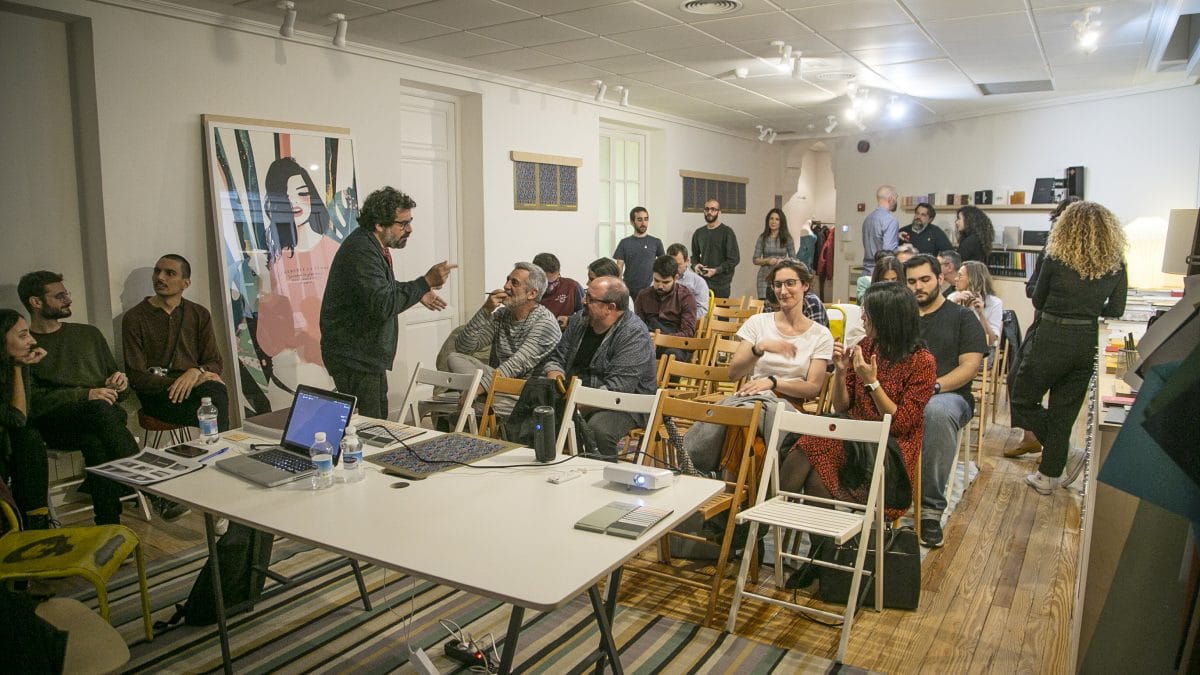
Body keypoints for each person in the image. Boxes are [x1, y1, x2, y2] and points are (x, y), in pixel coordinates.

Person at [20, 271, 187, 523]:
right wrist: (86, 394)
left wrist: (119, 384)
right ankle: (153, 489)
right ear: (35, 302)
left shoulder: (88, 334)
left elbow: (119, 390)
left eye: (66, 294)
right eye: (60, 296)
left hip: (101, 419)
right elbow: (34, 401)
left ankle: (109, 524)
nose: (68, 300)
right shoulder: (26, 346)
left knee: (96, 442)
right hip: (56, 425)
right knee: (99, 411)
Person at [781, 282, 935, 525]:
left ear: (886, 318)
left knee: (812, 442)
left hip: (888, 450)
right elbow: (842, 407)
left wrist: (872, 383)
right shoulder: (866, 346)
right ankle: (822, 547)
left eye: (867, 313)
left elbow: (899, 424)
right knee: (816, 468)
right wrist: (841, 372)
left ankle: (761, 521)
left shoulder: (921, 362)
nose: (862, 318)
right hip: (852, 437)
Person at [1009, 202, 1128, 493]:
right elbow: (1117, 309)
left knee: (1023, 397)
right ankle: (1049, 476)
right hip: (1087, 339)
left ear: (1067, 226)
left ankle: (1064, 455)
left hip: (1052, 335)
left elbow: (1038, 300)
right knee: (1064, 411)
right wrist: (1089, 309)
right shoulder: (1116, 263)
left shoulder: (1056, 258)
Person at [684, 260, 833, 475]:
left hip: (790, 404)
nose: (783, 291)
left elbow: (812, 388)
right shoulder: (758, 322)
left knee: (743, 419)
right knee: (744, 420)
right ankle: (744, 485)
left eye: (790, 283)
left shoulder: (820, 334)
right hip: (751, 397)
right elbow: (734, 373)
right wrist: (759, 348)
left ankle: (726, 481)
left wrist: (773, 382)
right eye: (777, 284)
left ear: (805, 285)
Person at [320, 187, 455, 419]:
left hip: (362, 355)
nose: (409, 229)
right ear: (379, 224)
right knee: (369, 425)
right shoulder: (362, 250)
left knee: (375, 420)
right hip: (355, 357)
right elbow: (383, 303)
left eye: (409, 222)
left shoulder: (369, 245)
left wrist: (418, 292)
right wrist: (424, 283)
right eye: (403, 224)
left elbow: (381, 290)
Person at [905, 254, 987, 548]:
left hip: (949, 395)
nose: (918, 286)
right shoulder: (902, 318)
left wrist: (933, 387)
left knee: (935, 412)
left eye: (925, 279)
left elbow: (970, 367)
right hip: (903, 393)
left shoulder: (962, 317)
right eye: (912, 281)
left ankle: (929, 510)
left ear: (940, 278)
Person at [540, 276, 656, 458]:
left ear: (610, 308)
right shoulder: (580, 320)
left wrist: (572, 404)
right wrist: (555, 377)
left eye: (590, 298)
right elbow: (557, 358)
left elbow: (618, 388)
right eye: (586, 294)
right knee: (537, 412)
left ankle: (600, 472)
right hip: (573, 394)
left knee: (597, 429)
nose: (582, 301)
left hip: (624, 404)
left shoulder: (633, 334)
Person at [123, 254, 231, 432]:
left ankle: (220, 446)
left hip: (196, 388)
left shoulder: (199, 314)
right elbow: (136, 376)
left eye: (169, 273)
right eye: (157, 271)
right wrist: (182, 382)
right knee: (213, 411)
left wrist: (195, 372)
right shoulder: (135, 318)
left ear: (185, 283)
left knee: (215, 391)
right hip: (159, 395)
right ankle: (220, 445)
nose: (160, 277)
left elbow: (215, 361)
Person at [448, 262, 561, 394]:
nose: (506, 286)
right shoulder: (502, 315)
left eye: (514, 283)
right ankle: (486, 394)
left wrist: (477, 389)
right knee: (454, 358)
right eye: (507, 280)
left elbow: (517, 364)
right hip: (500, 379)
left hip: (526, 389)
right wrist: (485, 310)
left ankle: (483, 394)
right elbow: (464, 347)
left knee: (475, 389)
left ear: (531, 293)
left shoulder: (545, 322)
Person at [0, 310, 50, 530]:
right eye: (23, 335)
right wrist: (20, 367)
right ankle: (34, 525)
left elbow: (23, 414)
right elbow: (17, 418)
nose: (32, 340)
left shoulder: (6, 366)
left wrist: (21, 368)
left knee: (27, 437)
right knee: (26, 437)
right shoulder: (12, 367)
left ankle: (35, 523)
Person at [636, 255, 697, 360]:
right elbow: (637, 325)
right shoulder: (643, 295)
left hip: (675, 344)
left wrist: (661, 338)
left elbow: (687, 333)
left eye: (665, 282)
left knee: (672, 355)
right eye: (656, 280)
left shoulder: (685, 297)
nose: (660, 286)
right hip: (648, 340)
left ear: (676, 278)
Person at [691, 198, 740, 298]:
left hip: (722, 285)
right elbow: (694, 256)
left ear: (719, 212)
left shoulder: (727, 232)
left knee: (721, 309)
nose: (709, 212)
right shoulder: (699, 233)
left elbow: (734, 259)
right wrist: (695, 266)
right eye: (707, 209)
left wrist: (716, 270)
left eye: (713, 209)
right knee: (702, 308)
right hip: (703, 283)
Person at [613, 207, 665, 300]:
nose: (643, 223)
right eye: (640, 220)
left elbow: (663, 265)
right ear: (632, 222)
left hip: (650, 290)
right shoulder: (624, 243)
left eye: (646, 219)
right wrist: (619, 288)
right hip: (628, 290)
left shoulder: (656, 242)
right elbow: (619, 267)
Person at [949, 261, 1003, 349]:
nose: (955, 279)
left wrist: (981, 314)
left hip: (981, 351)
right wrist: (953, 304)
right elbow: (941, 329)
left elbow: (991, 341)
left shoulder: (994, 302)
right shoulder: (953, 297)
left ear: (973, 279)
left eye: (960, 276)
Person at [752, 208, 796, 303]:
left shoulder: (787, 238)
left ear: (781, 222)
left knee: (780, 304)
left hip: (781, 276)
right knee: (765, 305)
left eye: (777, 219)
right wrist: (767, 261)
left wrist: (782, 261)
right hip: (764, 277)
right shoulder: (762, 238)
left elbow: (794, 260)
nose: (773, 222)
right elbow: (755, 259)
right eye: (771, 219)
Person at [533, 252, 583, 329]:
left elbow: (586, 314)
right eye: (547, 283)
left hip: (564, 334)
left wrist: (570, 320)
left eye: (556, 281)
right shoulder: (526, 291)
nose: (551, 287)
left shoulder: (572, 287)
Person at [861, 185, 900, 276]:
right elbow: (888, 253)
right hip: (880, 273)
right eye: (896, 198)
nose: (896, 201)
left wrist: (896, 235)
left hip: (866, 272)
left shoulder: (867, 219)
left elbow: (875, 239)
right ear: (891, 198)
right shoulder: (891, 220)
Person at [667, 243, 709, 320]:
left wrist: (681, 319)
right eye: (671, 264)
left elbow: (702, 310)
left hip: (685, 322)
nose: (674, 268)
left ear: (687, 261)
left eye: (678, 264)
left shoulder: (698, 282)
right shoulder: (661, 279)